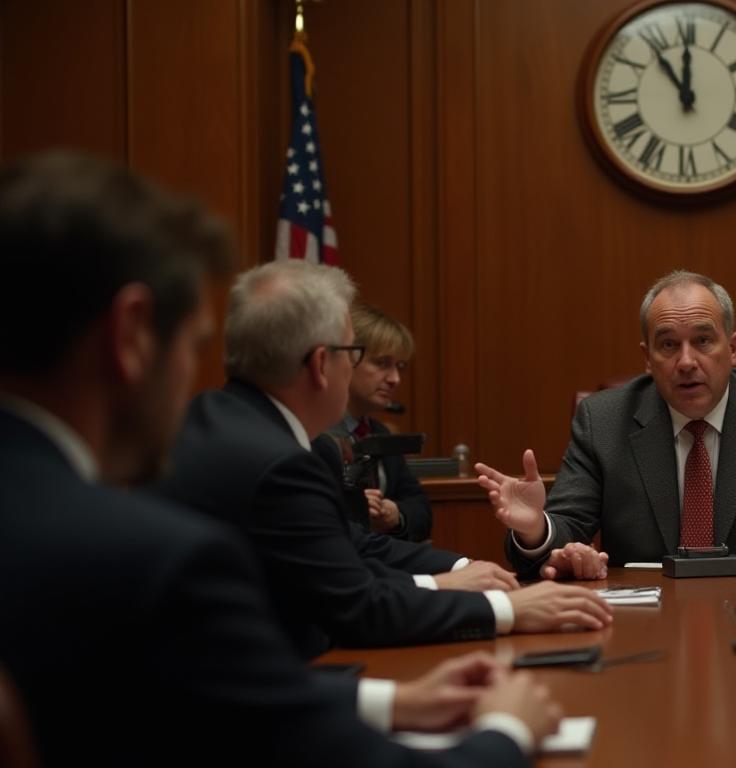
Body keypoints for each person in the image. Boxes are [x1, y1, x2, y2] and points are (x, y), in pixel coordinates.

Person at [0, 151, 558, 767]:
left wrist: (387, 701)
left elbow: (199, 696)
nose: (189, 375)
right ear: (130, 335)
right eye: (192, 344)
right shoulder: (150, 560)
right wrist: (507, 729)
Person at [159, 259, 611, 658]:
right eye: (354, 352)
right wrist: (505, 608)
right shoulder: (279, 463)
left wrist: (458, 571)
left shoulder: (220, 419)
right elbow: (355, 607)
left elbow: (346, 547)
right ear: (321, 364)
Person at [476, 270, 736, 580]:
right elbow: (568, 525)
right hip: (643, 621)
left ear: (733, 348)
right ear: (647, 357)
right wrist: (536, 530)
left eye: (703, 340)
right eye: (668, 345)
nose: (687, 361)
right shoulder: (603, 421)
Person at [314, 303, 432, 541]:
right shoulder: (314, 432)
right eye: (382, 363)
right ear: (347, 359)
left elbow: (421, 510)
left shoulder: (379, 433)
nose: (395, 379)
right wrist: (354, 507)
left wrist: (396, 514)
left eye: (399, 367)